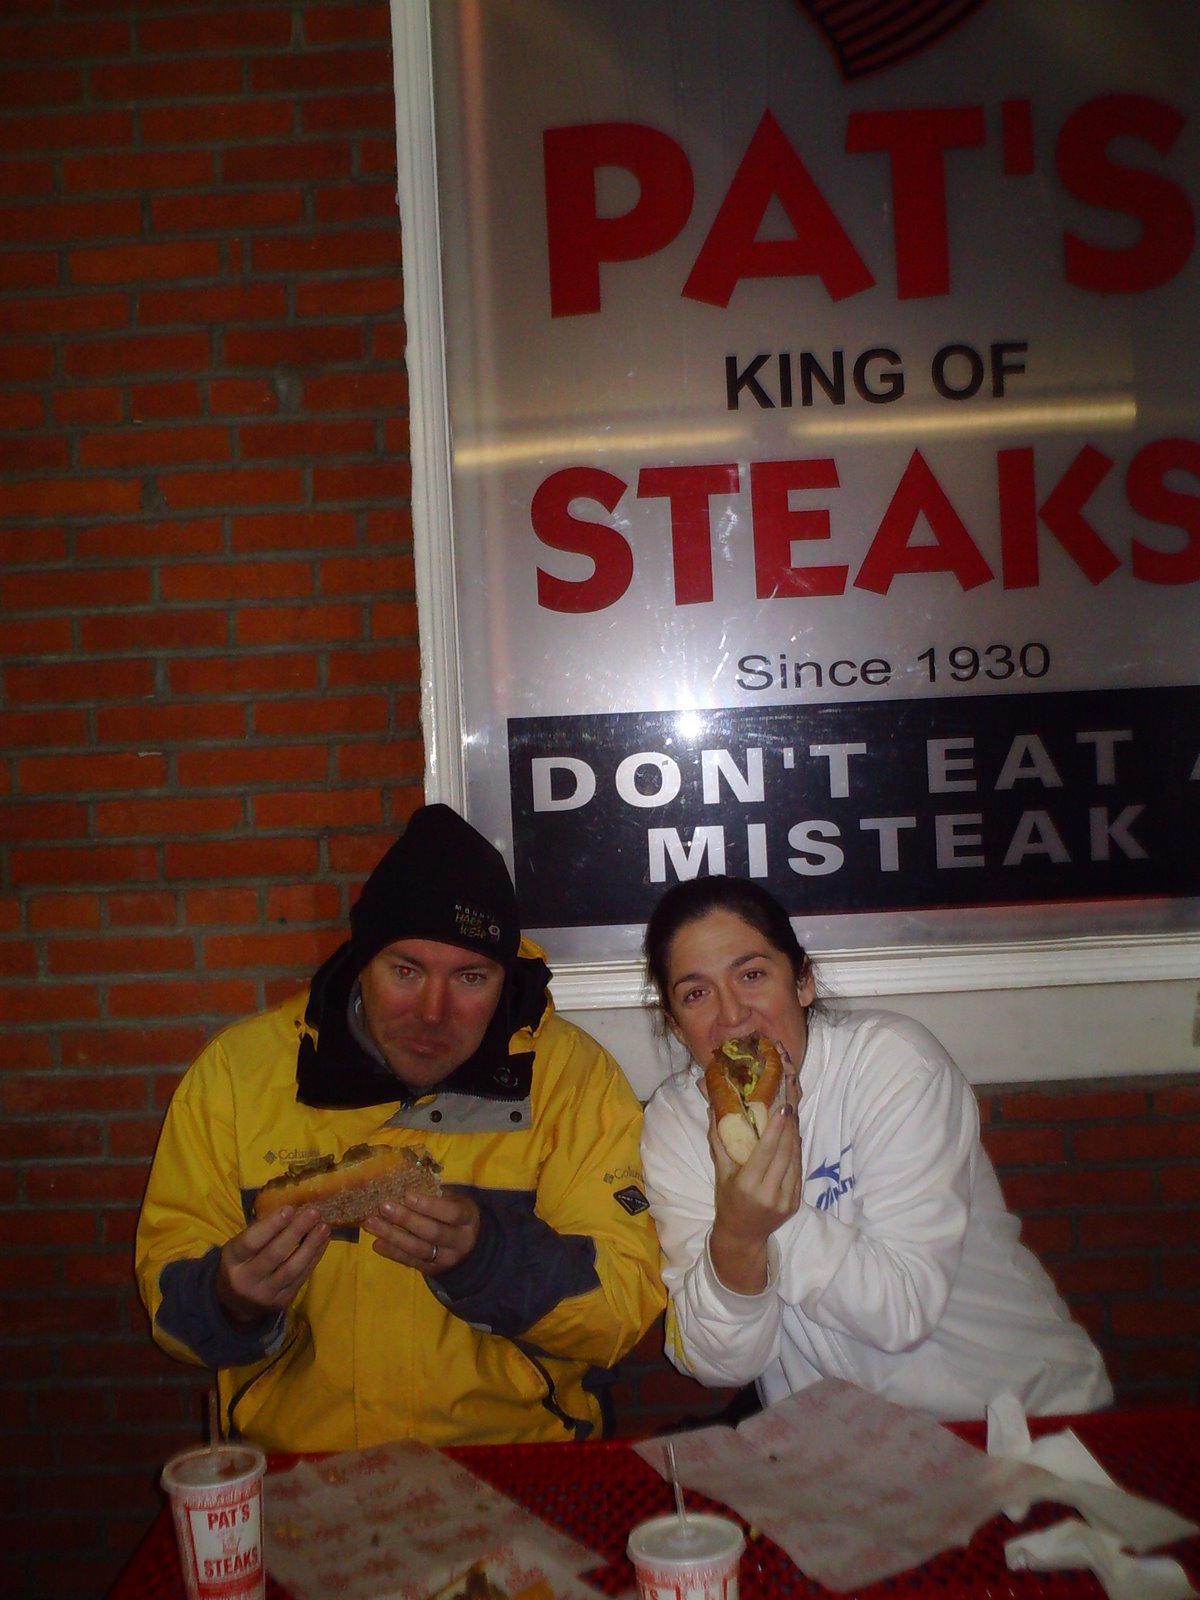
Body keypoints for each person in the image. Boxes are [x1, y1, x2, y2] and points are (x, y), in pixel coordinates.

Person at [136, 803, 665, 1450]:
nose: (432, 1012)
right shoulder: (237, 1075)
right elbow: (170, 1300)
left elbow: (622, 1312)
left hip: (517, 1462)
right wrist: (230, 1299)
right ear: (363, 961)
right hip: (302, 1467)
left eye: (470, 977)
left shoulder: (574, 1083)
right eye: (406, 971)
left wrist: (489, 1259)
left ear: (505, 978)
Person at [639, 874, 1112, 1422]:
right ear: (677, 1027)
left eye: (752, 975)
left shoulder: (893, 1064)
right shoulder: (674, 1124)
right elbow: (718, 1363)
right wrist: (738, 1240)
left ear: (802, 981)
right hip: (844, 1448)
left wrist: (772, 1222)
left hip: (1019, 1421)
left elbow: (902, 1311)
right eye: (696, 994)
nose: (731, 1014)